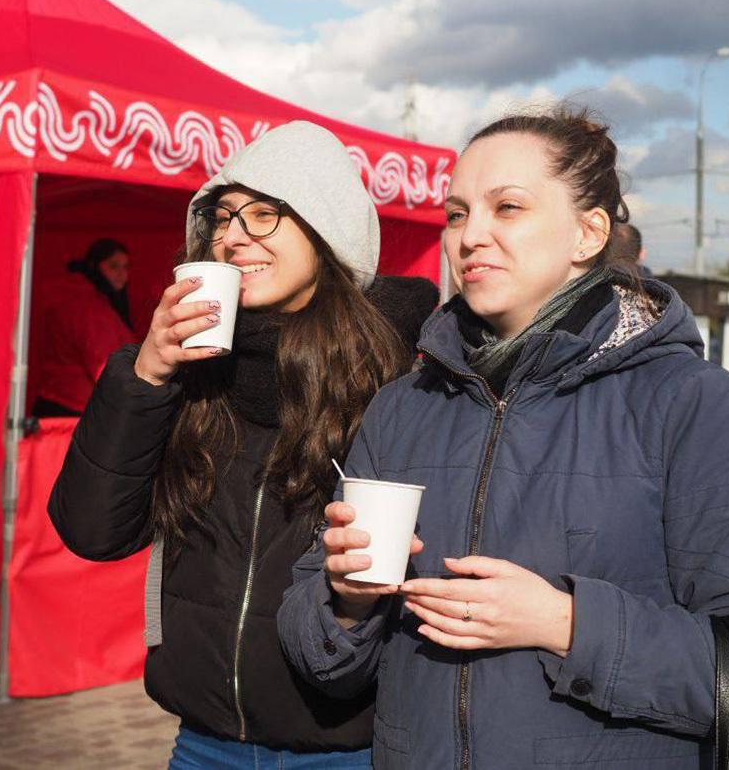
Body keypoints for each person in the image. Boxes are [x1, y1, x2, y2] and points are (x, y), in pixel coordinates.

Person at [278, 107, 729, 769]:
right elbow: (321, 661)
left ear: (588, 232)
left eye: (507, 207)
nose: (470, 236)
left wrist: (564, 623)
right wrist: (347, 601)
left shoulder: (689, 401)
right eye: (456, 214)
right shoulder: (403, 406)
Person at [48, 121, 439, 767]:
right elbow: (93, 531)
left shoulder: (398, 376)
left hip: (349, 745)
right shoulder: (194, 374)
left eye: (263, 214)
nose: (232, 237)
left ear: (327, 232)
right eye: (223, 218)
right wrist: (145, 374)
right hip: (204, 743)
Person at [31, 238, 137, 417]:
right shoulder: (88, 304)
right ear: (95, 266)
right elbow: (104, 365)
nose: (122, 274)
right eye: (113, 266)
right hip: (74, 409)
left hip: (59, 400)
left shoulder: (81, 296)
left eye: (126, 267)